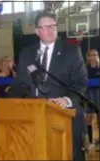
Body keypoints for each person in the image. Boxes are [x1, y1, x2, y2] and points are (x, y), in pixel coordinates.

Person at [8, 12, 87, 161]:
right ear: (37, 31)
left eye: (52, 26)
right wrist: (8, 104)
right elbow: (20, 85)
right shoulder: (26, 54)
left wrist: (67, 99)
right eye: (45, 27)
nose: (50, 29)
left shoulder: (71, 51)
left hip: (64, 115)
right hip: (33, 118)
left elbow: (81, 82)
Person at [85, 49, 100, 150]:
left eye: (95, 55)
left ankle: (99, 142)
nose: (93, 57)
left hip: (99, 93)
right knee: (89, 118)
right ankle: (90, 142)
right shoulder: (85, 69)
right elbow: (83, 81)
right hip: (88, 94)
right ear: (88, 57)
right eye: (91, 55)